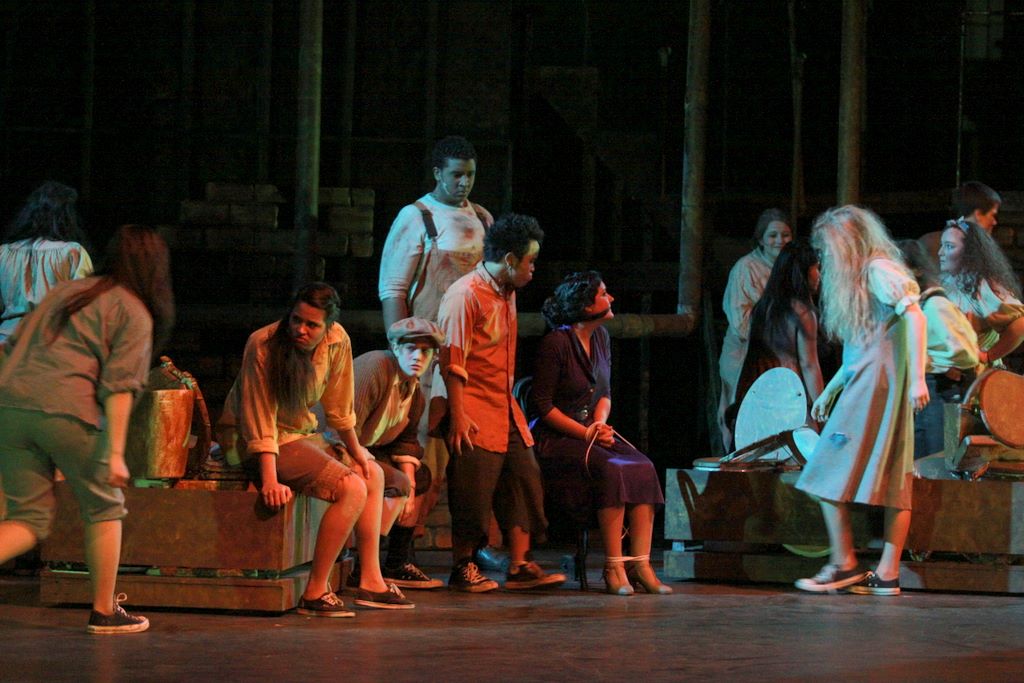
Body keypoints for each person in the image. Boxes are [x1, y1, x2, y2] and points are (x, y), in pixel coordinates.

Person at [0, 224, 174, 634]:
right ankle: (104, 610)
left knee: (26, 518)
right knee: (104, 507)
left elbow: (13, 347)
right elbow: (120, 385)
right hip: (67, 411)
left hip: (10, 406)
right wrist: (114, 452)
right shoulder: (132, 310)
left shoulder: (66, 292)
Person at [217, 283, 414, 615]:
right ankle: (315, 590)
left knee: (372, 474)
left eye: (312, 325)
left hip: (300, 435)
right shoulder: (263, 344)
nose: (301, 329)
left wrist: (357, 452)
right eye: (296, 320)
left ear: (328, 325)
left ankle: (371, 581)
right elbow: (259, 418)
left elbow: (340, 409)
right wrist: (269, 479)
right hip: (253, 440)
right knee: (351, 488)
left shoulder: (337, 340)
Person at [794, 206, 929, 597]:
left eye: (829, 248)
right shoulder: (864, 279)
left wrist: (918, 379)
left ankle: (843, 563)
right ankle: (887, 573)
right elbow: (863, 346)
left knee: (823, 468)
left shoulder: (878, 271)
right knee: (893, 478)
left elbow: (916, 318)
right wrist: (832, 389)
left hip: (877, 387)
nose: (826, 257)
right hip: (872, 383)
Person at [377, 135, 498, 563]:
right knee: (422, 449)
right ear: (437, 173)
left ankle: (475, 548)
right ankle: (401, 551)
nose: (464, 183)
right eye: (456, 175)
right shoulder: (416, 217)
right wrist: (403, 352)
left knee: (470, 451)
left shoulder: (482, 218)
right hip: (426, 354)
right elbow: (393, 289)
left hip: (472, 352)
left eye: (470, 175)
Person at [436, 213, 565, 592]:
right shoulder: (465, 294)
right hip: (471, 403)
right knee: (473, 487)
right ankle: (463, 566)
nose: (533, 269)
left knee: (524, 477)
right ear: (510, 260)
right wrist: (458, 415)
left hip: (504, 405)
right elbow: (452, 359)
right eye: (530, 261)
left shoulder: (506, 292)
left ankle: (520, 565)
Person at [531, 271, 670, 596]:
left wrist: (599, 423)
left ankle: (640, 564)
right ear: (585, 306)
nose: (611, 298)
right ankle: (613, 566)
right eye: (604, 294)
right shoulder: (556, 343)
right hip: (557, 437)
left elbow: (604, 393)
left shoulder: (601, 338)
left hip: (592, 431)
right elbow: (543, 406)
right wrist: (586, 433)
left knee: (643, 466)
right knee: (611, 468)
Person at [349, 317, 447, 589]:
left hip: (370, 451)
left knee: (419, 477)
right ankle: (362, 566)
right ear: (395, 347)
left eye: (425, 351)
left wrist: (411, 489)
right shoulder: (376, 368)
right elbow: (346, 426)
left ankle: (396, 562)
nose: (418, 357)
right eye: (410, 349)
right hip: (339, 447)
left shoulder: (413, 392)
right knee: (394, 481)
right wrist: (401, 483)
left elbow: (406, 441)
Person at [730, 240, 823, 438]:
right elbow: (809, 365)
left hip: (761, 395)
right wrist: (821, 410)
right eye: (816, 268)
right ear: (802, 272)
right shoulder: (803, 313)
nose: (819, 275)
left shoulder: (763, 307)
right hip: (789, 398)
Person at [718, 208, 793, 450]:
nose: (780, 241)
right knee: (741, 414)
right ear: (761, 239)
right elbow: (740, 321)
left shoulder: (789, 269)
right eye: (773, 235)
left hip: (779, 355)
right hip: (745, 354)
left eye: (785, 235)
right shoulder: (746, 268)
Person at [897, 240, 980, 459]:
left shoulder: (935, 305)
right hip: (932, 389)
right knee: (923, 456)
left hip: (942, 390)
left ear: (916, 270)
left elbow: (967, 354)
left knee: (937, 457)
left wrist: (937, 364)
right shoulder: (920, 305)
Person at [0, 181, 93, 342]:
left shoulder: (3, 253)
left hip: (6, 341)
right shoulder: (73, 253)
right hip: (50, 342)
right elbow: (85, 307)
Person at [938, 217, 1024, 368]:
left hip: (973, 376)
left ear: (969, 253)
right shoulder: (948, 280)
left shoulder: (980, 285)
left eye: (949, 246)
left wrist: (988, 355)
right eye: (942, 245)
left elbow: (1020, 325)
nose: (940, 252)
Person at [918, 181, 1001, 262]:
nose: (994, 222)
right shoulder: (932, 244)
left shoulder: (929, 241)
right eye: (992, 215)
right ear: (978, 214)